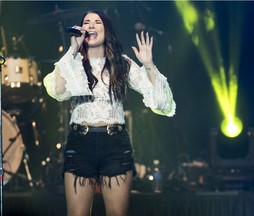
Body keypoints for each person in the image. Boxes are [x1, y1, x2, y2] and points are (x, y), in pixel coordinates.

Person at [43, 10, 176, 216]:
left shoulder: (122, 63)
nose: (91, 26)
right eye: (87, 22)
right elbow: (58, 90)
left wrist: (148, 65)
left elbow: (160, 102)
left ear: (106, 31)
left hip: (115, 145)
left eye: (97, 22)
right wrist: (73, 50)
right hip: (80, 144)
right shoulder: (74, 64)